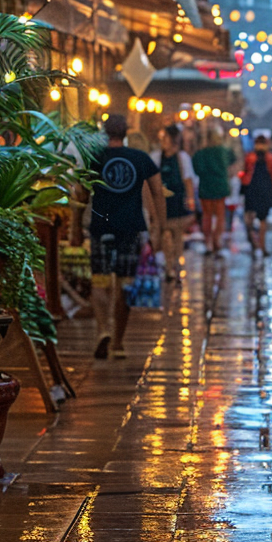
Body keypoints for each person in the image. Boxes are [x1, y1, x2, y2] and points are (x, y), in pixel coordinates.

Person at [89, 114, 167, 359]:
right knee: (125, 284)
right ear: (126, 132)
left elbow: (80, 193)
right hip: (130, 227)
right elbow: (158, 192)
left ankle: (103, 329)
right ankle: (118, 343)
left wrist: (72, 230)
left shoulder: (94, 158)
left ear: (104, 131)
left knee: (99, 281)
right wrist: (159, 229)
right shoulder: (140, 158)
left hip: (101, 226)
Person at [158, 124, 195, 281]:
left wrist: (191, 200)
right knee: (165, 234)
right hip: (162, 202)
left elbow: (188, 180)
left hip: (177, 200)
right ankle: (169, 265)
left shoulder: (182, 158)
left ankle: (177, 264)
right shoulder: (156, 157)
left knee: (178, 235)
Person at [192, 128, 234, 254]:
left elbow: (196, 169)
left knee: (207, 215)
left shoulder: (201, 153)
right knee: (220, 215)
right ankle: (217, 239)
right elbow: (233, 160)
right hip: (220, 186)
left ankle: (208, 241)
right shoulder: (223, 151)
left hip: (205, 186)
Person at [241, 134, 272, 256]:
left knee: (250, 218)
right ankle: (261, 246)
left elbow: (245, 173)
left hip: (251, 190)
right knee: (263, 220)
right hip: (265, 190)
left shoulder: (250, 157)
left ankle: (254, 241)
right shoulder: (271, 158)